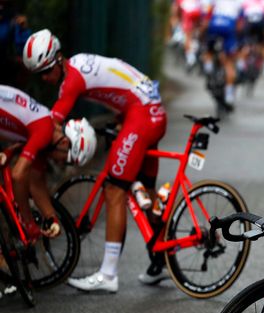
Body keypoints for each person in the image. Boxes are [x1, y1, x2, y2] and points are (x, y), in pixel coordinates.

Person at [23, 29, 168, 292]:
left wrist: (24, 145)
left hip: (142, 115)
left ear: (57, 59)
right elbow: (121, 84)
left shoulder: (72, 80)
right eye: (38, 75)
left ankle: (108, 274)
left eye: (46, 71)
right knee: (145, 190)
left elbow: (49, 127)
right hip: (150, 111)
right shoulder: (78, 63)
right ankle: (162, 259)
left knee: (114, 189)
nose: (44, 79)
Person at [0, 85, 96, 240]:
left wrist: (52, 217)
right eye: (66, 159)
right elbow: (18, 175)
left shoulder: (48, 131)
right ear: (64, 143)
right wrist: (28, 222)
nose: (60, 162)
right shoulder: (44, 130)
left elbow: (36, 183)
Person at [202, 0, 244, 110]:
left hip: (215, 23)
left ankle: (208, 69)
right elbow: (240, 23)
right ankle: (229, 95)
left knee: (209, 51)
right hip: (229, 25)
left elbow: (207, 13)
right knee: (229, 63)